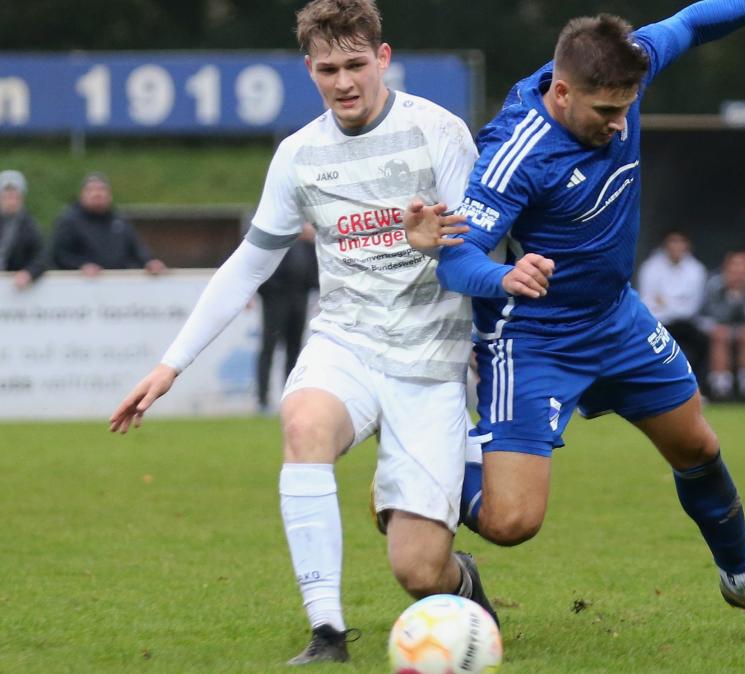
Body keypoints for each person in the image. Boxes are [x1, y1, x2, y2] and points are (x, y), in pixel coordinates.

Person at [426, 0, 745, 632]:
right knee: (513, 522)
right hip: (535, 337)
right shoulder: (516, 150)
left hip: (615, 318)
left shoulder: (627, 63)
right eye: (607, 113)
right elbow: (454, 263)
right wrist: (504, 274)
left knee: (697, 444)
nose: (620, 126)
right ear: (562, 92)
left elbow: (695, 21)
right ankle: (417, 474)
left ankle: (743, 578)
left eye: (628, 108)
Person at [108, 0, 495, 664]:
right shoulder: (299, 155)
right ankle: (327, 633)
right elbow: (248, 264)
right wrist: (170, 365)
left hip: (430, 364)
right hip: (346, 343)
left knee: (417, 572)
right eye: (326, 69)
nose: (342, 82)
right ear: (308, 69)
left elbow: (479, 254)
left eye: (354, 65)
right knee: (303, 422)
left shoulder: (441, 133)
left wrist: (439, 249)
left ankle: (462, 582)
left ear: (383, 59)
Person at [49, 172, 167, 276]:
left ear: (109, 195)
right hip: (83, 287)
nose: (97, 194)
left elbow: (136, 248)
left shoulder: (119, 220)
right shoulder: (70, 221)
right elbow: (59, 255)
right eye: (91, 190)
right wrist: (80, 266)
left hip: (118, 286)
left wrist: (149, 262)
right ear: (82, 195)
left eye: (102, 189)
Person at [256, 222, 319, 412]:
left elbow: (314, 274)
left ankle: (290, 396)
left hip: (299, 298)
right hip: (276, 300)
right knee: (269, 348)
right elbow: (261, 271)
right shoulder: (274, 241)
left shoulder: (307, 246)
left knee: (295, 349)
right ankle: (263, 400)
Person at [636, 229, 709, 391]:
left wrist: (665, 301)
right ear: (665, 244)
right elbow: (646, 303)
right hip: (657, 324)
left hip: (686, 325)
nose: (676, 246)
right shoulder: (650, 267)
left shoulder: (697, 270)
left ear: (687, 245)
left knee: (704, 343)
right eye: (672, 241)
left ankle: (697, 390)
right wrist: (677, 302)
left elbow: (691, 308)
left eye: (680, 241)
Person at [700, 249, 745, 400]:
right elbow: (715, 315)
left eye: (743, 267)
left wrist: (741, 295)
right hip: (712, 326)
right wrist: (731, 295)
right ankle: (721, 388)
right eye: (734, 266)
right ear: (726, 267)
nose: (738, 271)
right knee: (721, 334)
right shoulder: (714, 284)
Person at [0, 170, 46, 289]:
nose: (11, 200)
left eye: (14, 195)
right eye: (6, 195)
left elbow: (41, 256)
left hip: (16, 289)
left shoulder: (30, 226)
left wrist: (29, 273)